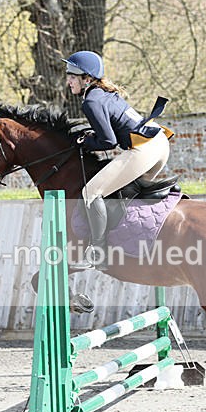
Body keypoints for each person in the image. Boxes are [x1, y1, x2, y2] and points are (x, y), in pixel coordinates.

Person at [63, 50, 173, 269]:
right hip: (159, 142)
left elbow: (107, 141)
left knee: (91, 192)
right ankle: (127, 241)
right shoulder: (103, 93)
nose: (68, 81)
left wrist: (84, 142)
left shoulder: (91, 101)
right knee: (120, 192)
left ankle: (98, 252)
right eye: (68, 75)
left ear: (87, 79)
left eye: (72, 77)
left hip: (145, 148)